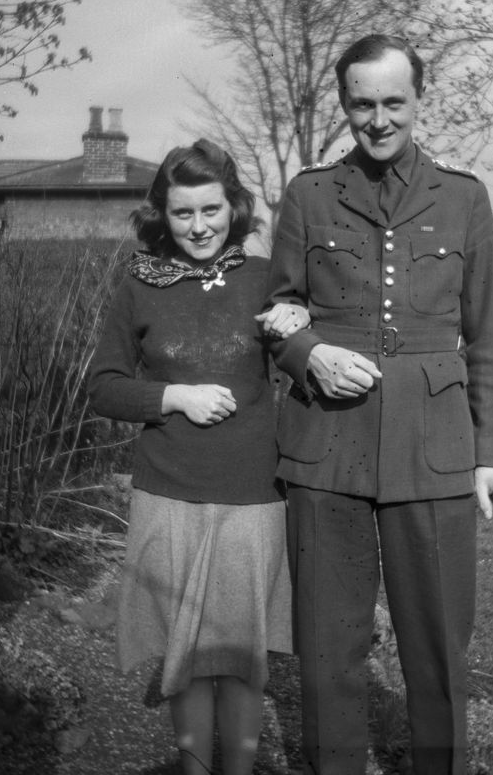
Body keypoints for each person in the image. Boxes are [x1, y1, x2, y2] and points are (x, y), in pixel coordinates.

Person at [262, 34, 493, 775]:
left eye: (393, 102)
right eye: (362, 104)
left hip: (433, 450)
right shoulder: (310, 193)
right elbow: (279, 310)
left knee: (438, 650)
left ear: (419, 101)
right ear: (345, 104)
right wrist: (309, 353)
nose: (378, 120)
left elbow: (488, 338)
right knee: (327, 651)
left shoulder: (463, 196)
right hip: (325, 448)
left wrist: (492, 453)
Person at [89, 138, 309, 775]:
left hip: (252, 493)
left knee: (241, 657)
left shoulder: (267, 278)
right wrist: (174, 396)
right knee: (185, 658)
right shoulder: (139, 286)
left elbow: (301, 360)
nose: (199, 226)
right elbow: (102, 386)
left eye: (211, 210)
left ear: (233, 207)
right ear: (163, 214)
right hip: (168, 492)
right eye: (183, 213)